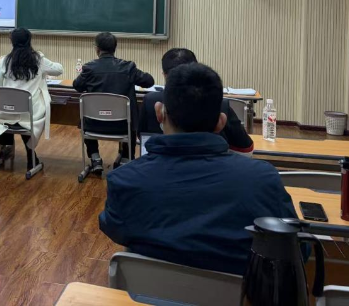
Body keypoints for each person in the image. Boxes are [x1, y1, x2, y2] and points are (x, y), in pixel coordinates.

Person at [99, 63, 297, 276]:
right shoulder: (262, 179)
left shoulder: (124, 180)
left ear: (159, 113)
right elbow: (295, 252)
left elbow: (114, 227)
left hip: (147, 291)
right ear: (221, 122)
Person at [140, 48, 253, 153]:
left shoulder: (150, 100)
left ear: (160, 113)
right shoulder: (220, 105)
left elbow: (141, 137)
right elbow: (246, 147)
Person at [73, 32, 155, 173]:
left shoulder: (89, 68)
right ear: (115, 48)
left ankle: (95, 158)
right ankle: (125, 158)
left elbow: (77, 86)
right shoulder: (128, 67)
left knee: (85, 116)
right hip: (123, 126)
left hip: (94, 125)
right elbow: (149, 81)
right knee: (131, 115)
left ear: (97, 49)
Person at [0, 28, 63, 170]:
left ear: (12, 41)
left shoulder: (5, 61)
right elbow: (59, 69)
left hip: (7, 112)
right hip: (31, 112)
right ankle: (30, 155)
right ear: (30, 40)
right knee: (25, 121)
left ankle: (6, 146)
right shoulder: (38, 59)